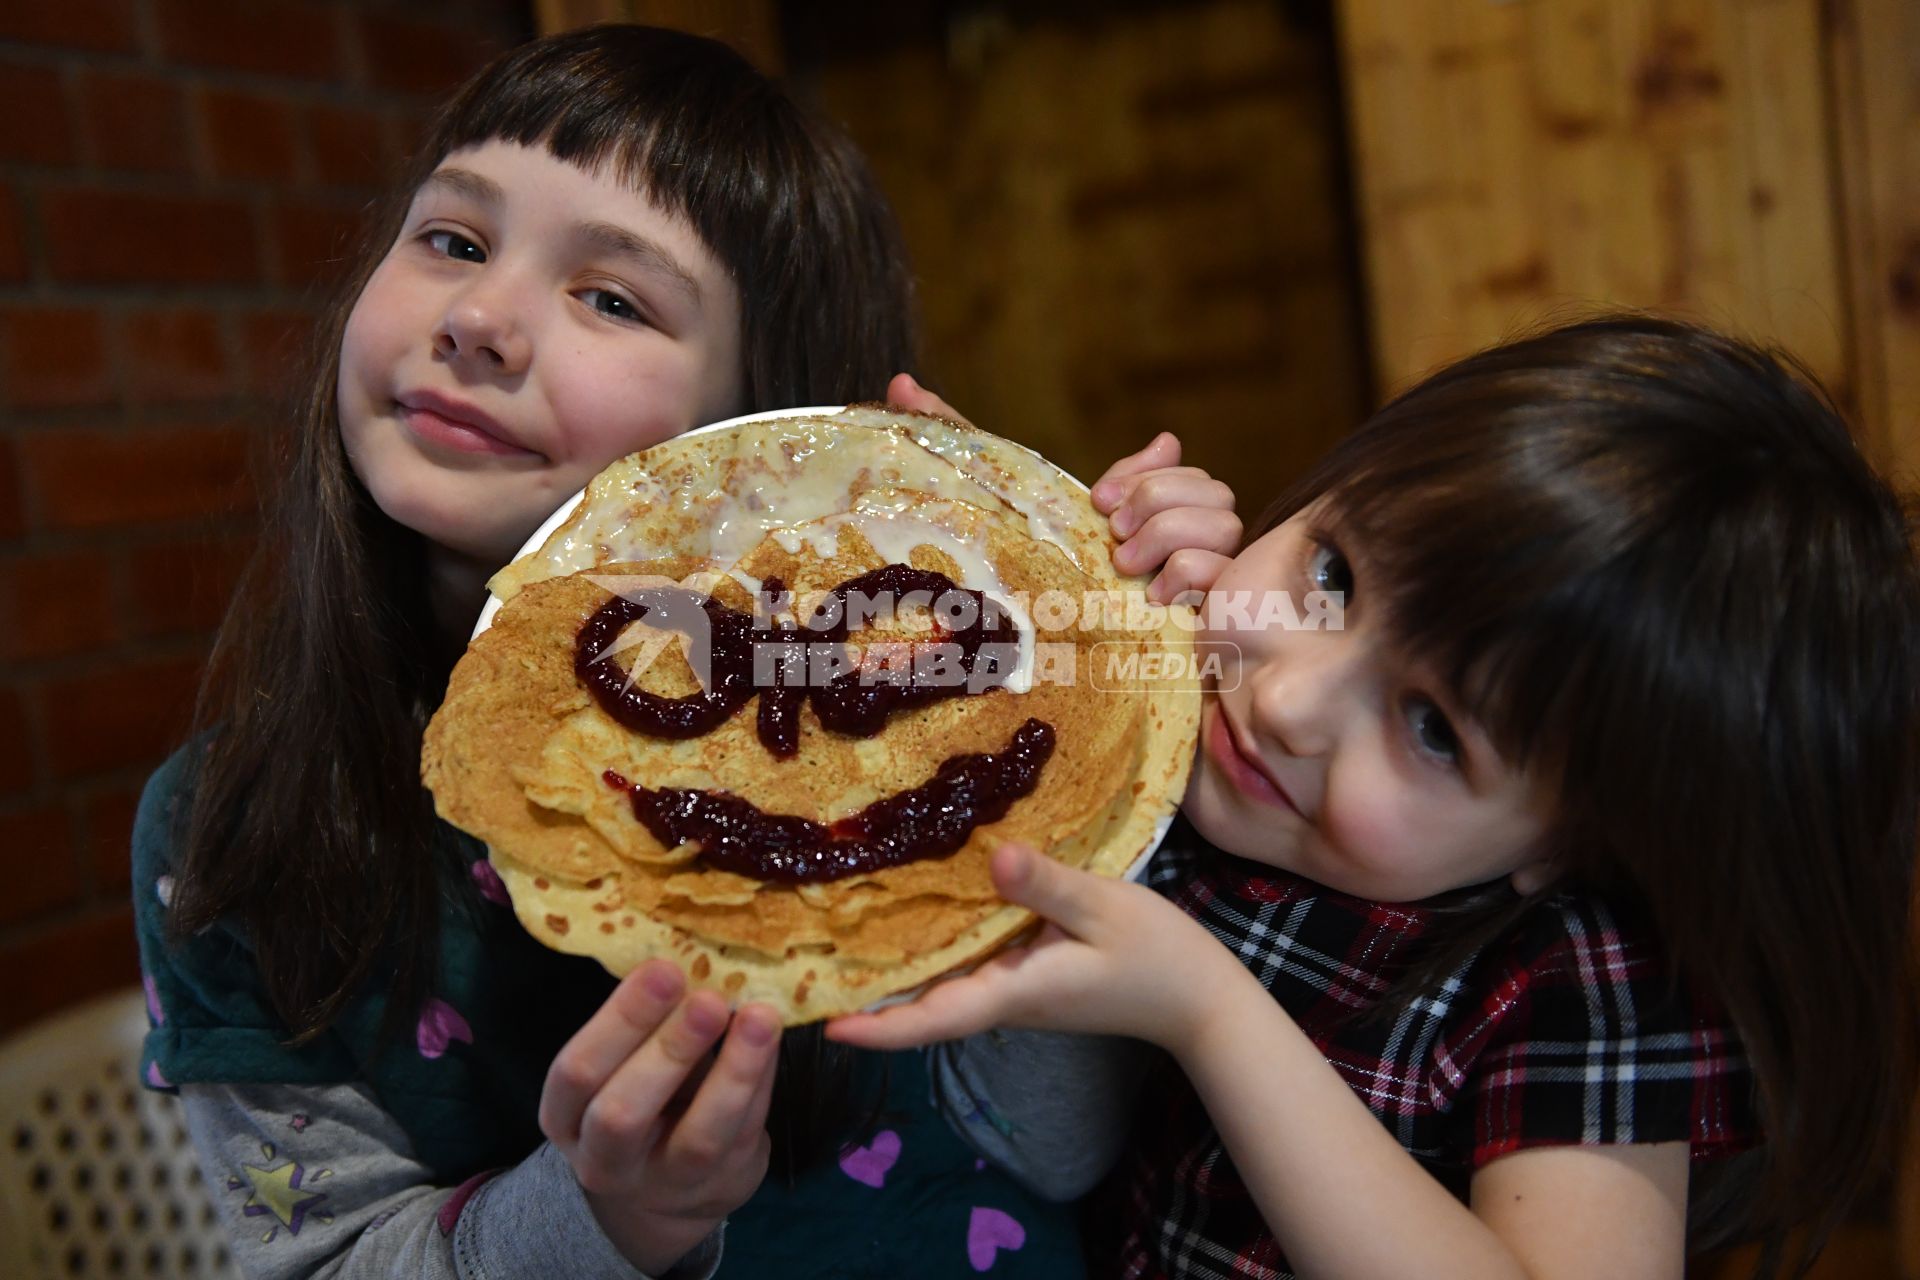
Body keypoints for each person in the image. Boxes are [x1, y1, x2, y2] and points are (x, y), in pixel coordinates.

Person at [129, 24, 1243, 1279]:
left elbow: (1055, 1146)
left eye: (611, 296)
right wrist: (604, 1217)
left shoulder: (901, 749)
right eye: (454, 239)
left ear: (771, 423)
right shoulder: (228, 832)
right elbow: (319, 1258)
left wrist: (1122, 703)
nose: (483, 317)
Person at [830, 315, 1920, 1279]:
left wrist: (1211, 1013)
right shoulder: (1205, 728)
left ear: (1582, 840)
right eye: (1334, 573)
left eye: (1437, 727)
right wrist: (1023, 558)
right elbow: (1041, 1133)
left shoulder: (1577, 979)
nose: (1293, 698)